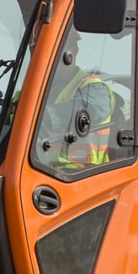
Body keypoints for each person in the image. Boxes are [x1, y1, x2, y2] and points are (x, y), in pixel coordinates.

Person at [44, 27, 118, 173]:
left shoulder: (94, 89)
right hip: (42, 170)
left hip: (83, 174)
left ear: (72, 50)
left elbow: (88, 110)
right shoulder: (34, 92)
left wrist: (42, 116)